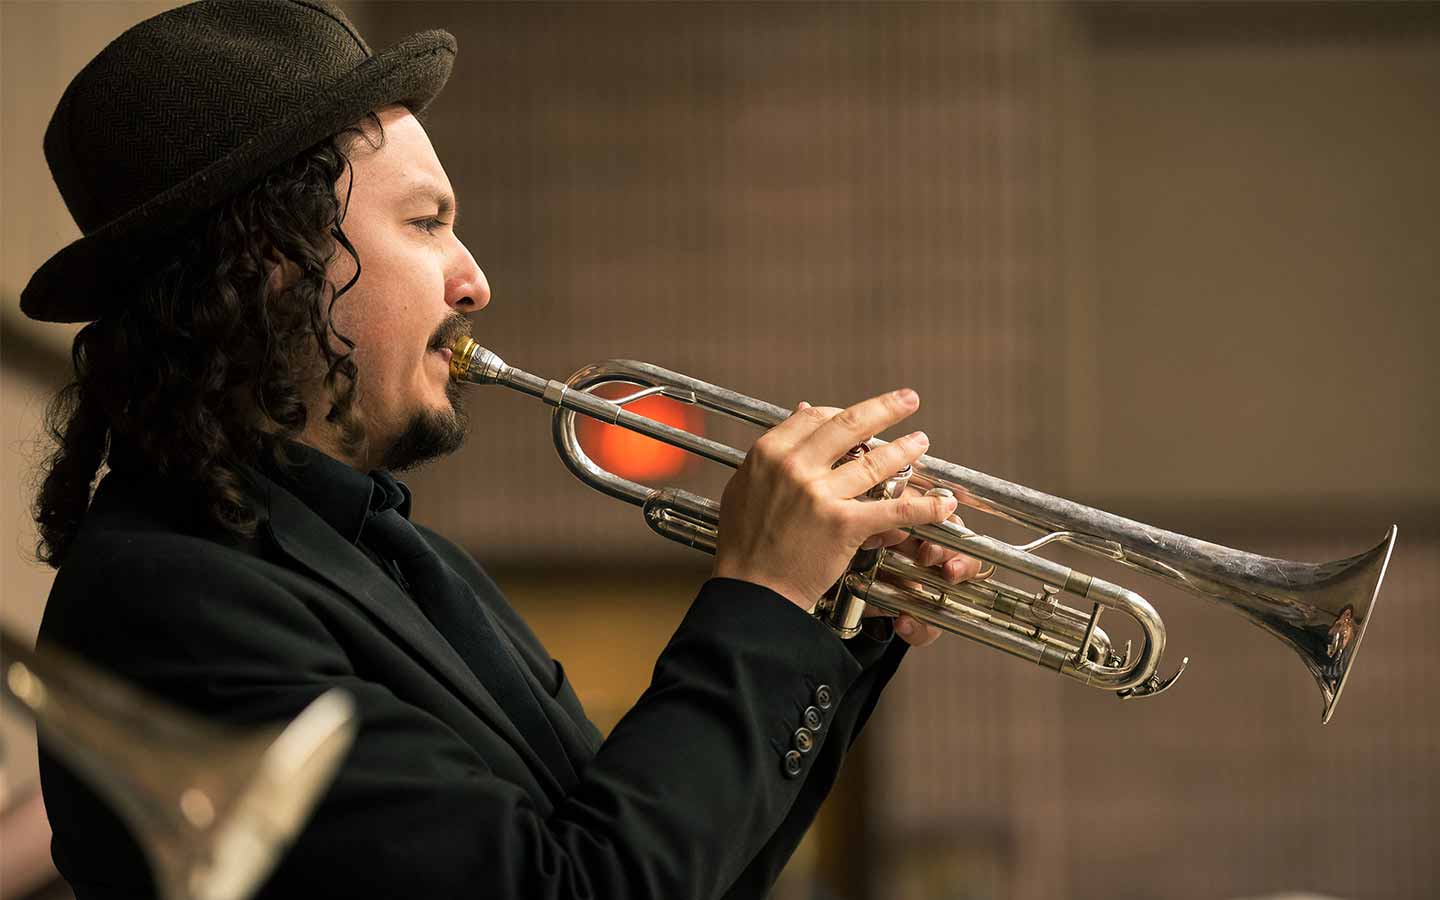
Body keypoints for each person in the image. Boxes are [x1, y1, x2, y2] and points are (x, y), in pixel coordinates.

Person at [21, 3, 980, 898]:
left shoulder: (400, 556)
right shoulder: (171, 600)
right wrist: (762, 596)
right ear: (276, 260)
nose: (473, 281)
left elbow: (681, 869)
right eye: (426, 223)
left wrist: (831, 614)